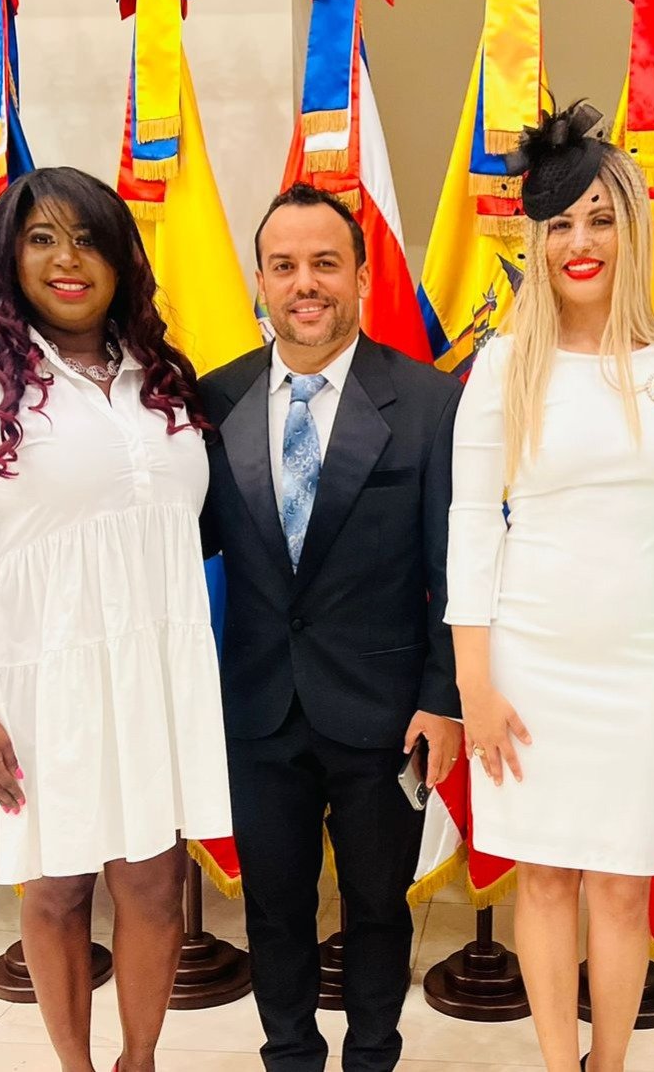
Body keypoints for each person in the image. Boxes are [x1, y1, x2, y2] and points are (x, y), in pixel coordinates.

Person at [0, 167, 231, 1072]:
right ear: (9, 257)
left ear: (121, 258)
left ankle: (139, 1060)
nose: (67, 260)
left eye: (86, 239)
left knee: (157, 882)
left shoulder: (162, 380)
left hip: (151, 671)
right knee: (56, 886)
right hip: (40, 680)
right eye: (41, 239)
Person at [446, 102, 654, 1072]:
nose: (580, 243)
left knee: (621, 883)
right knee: (546, 876)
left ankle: (611, 1063)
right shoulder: (501, 366)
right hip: (529, 659)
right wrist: (473, 684)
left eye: (600, 219)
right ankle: (560, 1063)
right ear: (536, 239)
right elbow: (470, 525)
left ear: (632, 228)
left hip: (646, 659)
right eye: (559, 223)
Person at [199, 182, 462, 1072]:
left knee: (378, 906)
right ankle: (289, 1056)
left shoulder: (427, 402)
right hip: (258, 707)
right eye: (283, 266)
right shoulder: (214, 399)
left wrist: (443, 698)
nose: (304, 283)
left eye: (324, 263)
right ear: (260, 282)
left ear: (361, 277)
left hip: (386, 711)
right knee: (273, 907)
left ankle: (373, 1055)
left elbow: (452, 570)